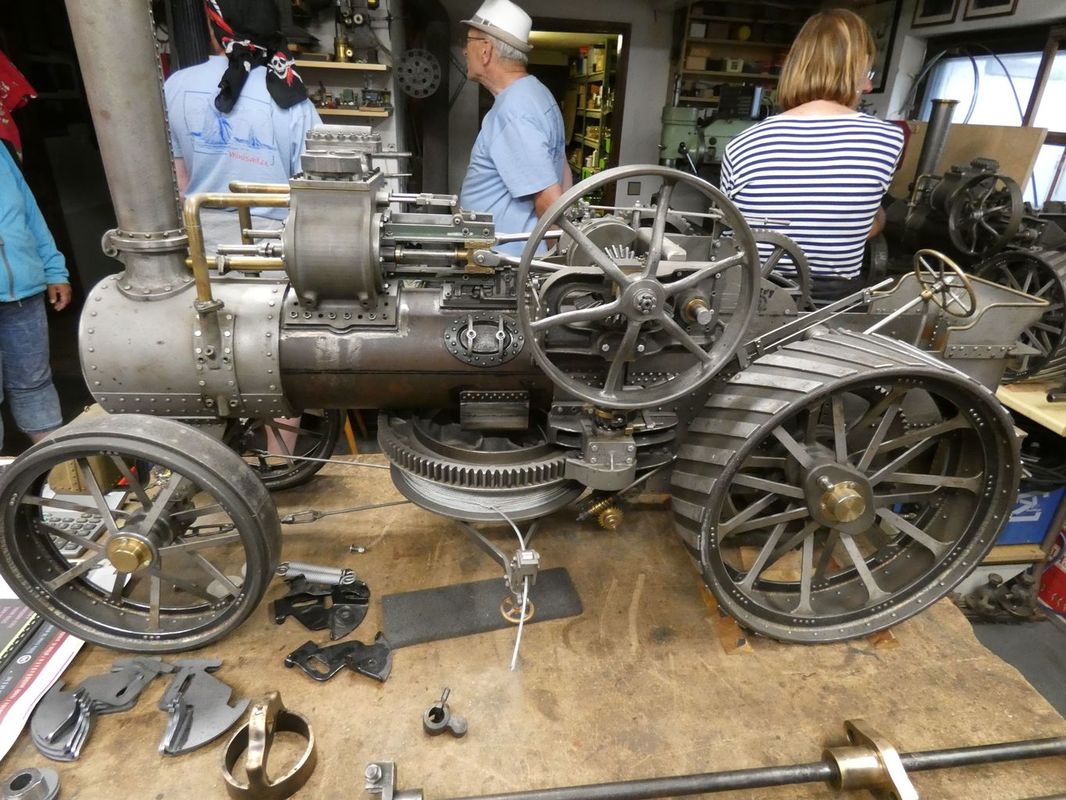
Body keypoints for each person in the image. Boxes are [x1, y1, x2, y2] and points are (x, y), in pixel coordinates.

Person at [720, 8, 905, 304]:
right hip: (831, 306)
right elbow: (865, 221)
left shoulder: (742, 142)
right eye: (867, 74)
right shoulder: (888, 139)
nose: (869, 86)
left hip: (751, 300)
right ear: (852, 71)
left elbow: (731, 230)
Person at [164, 0, 321, 250]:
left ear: (215, 26)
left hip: (201, 243)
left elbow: (178, 184)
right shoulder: (290, 95)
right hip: (275, 248)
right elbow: (314, 194)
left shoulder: (175, 86)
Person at [459, 0, 571, 254]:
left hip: (509, 264)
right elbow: (563, 173)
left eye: (468, 41)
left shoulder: (514, 110)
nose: (464, 51)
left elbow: (549, 200)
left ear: (485, 50)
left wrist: (554, 262)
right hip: (508, 260)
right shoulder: (536, 92)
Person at [0, 145, 71, 452]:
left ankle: (60, 467)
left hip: (24, 292)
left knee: (35, 385)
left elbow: (31, 214)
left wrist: (54, 269)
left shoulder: (1, 150)